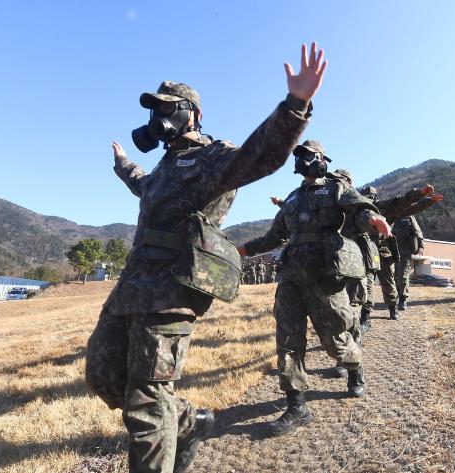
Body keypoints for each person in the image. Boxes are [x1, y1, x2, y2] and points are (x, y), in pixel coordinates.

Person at [84, 42, 327, 473]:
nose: (158, 118)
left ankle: (165, 433)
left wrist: (296, 103)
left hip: (171, 288)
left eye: (167, 107)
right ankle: (188, 421)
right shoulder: (164, 166)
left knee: (146, 400)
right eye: (153, 109)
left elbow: (260, 157)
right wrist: (123, 165)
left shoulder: (213, 157)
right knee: (103, 376)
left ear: (192, 113)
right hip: (131, 287)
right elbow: (145, 186)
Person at [237, 139, 391, 437]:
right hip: (291, 278)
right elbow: (274, 236)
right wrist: (239, 250)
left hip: (325, 275)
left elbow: (358, 208)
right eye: (300, 156)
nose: (303, 161)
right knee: (288, 342)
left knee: (336, 340)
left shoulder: (335, 188)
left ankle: (355, 368)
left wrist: (373, 218)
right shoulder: (293, 198)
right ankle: (296, 406)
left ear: (322, 159)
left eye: (309, 156)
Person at [360, 186, 443, 321]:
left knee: (388, 281)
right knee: (367, 282)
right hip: (364, 251)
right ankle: (365, 314)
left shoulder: (382, 208)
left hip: (382, 251)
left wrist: (427, 199)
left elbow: (407, 206)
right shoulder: (357, 208)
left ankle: (393, 308)